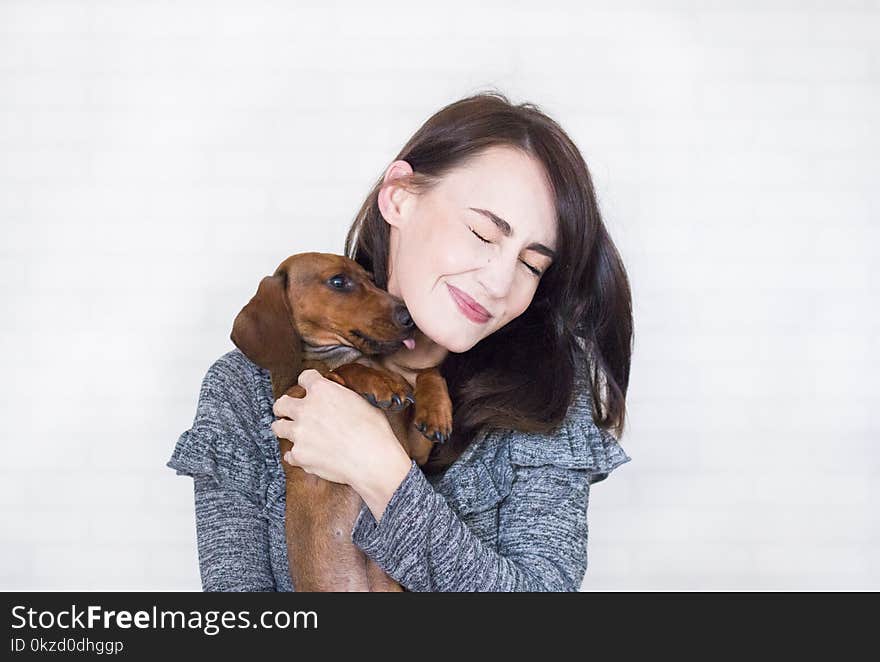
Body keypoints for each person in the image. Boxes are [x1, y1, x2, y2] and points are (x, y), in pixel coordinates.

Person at [168, 90, 633, 591]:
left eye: (531, 264)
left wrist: (382, 471)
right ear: (399, 197)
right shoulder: (242, 391)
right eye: (482, 233)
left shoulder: (549, 397)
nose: (500, 282)